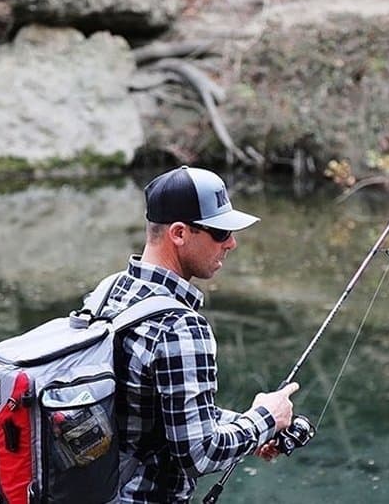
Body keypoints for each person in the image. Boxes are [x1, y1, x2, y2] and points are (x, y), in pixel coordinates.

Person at [85, 166, 299, 503]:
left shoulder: (110, 291)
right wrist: (265, 419)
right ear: (180, 233)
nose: (232, 243)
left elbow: (149, 413)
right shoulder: (180, 327)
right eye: (219, 233)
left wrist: (250, 426)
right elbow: (201, 452)